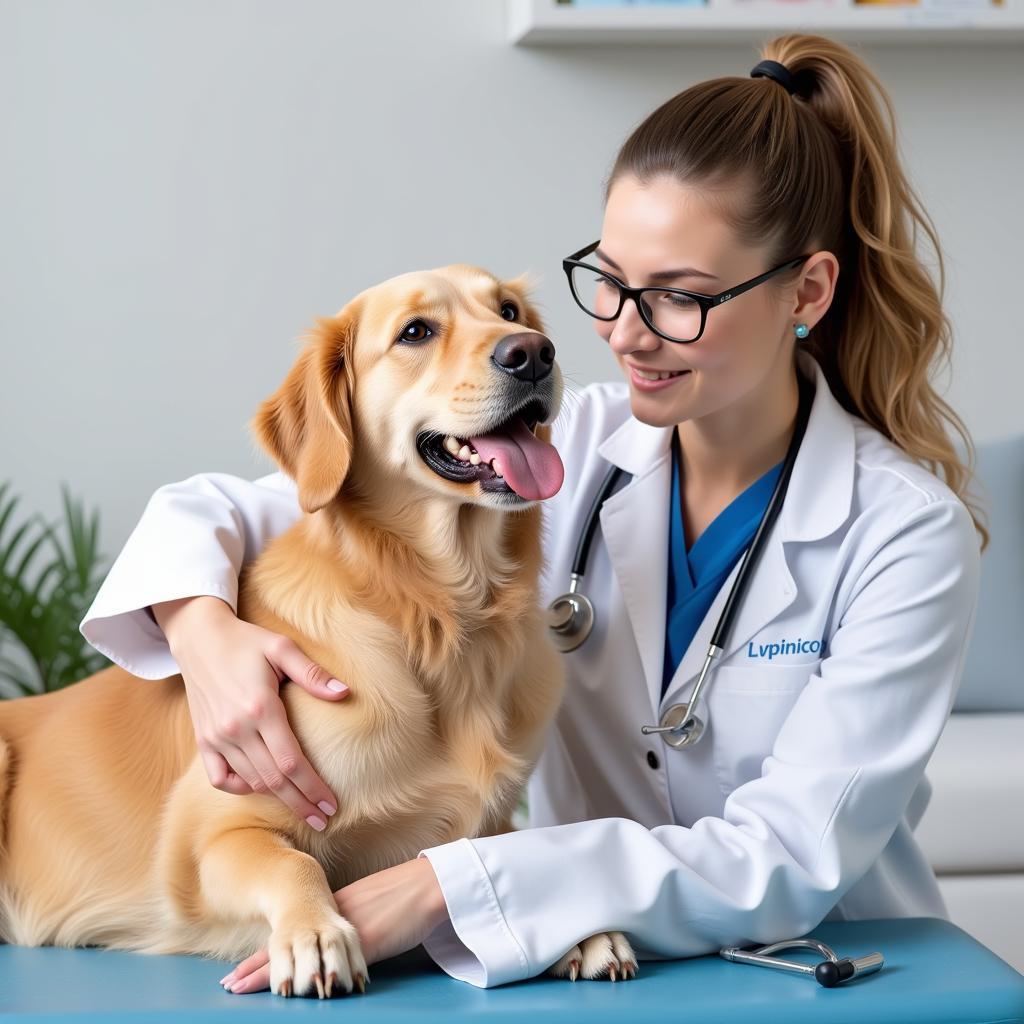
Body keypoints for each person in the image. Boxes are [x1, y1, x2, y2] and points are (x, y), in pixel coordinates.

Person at [81, 32, 987, 993]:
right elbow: (228, 504)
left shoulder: (905, 533)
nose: (625, 334)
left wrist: (448, 886)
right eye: (609, 281)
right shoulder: (564, 453)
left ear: (807, 290)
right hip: (586, 967)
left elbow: (792, 853)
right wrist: (204, 634)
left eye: (679, 298)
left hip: (819, 970)